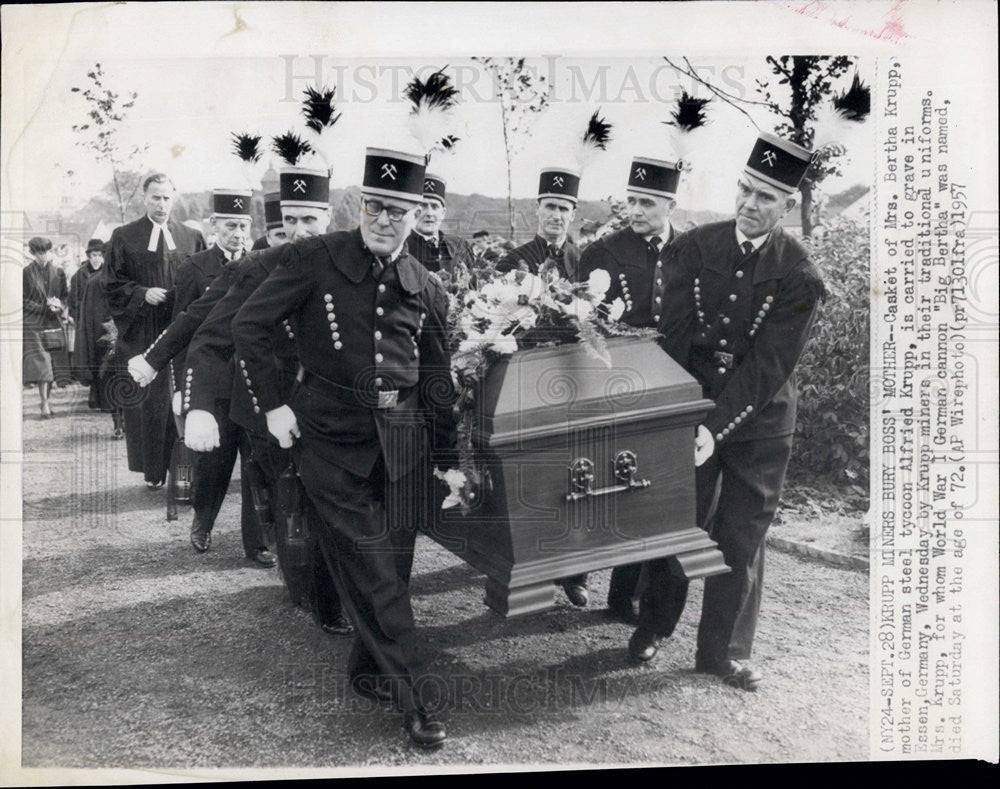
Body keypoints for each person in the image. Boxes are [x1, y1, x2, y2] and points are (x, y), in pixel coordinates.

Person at [232, 146, 455, 749]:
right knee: (373, 565)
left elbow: (438, 377)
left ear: (417, 214)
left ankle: (368, 671)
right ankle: (419, 699)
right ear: (359, 205)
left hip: (402, 441)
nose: (386, 220)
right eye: (376, 207)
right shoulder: (314, 258)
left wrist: (453, 462)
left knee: (395, 568)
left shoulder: (424, 283)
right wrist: (274, 404)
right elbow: (248, 326)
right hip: (328, 435)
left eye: (399, 211)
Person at [627, 132, 826, 692]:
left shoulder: (800, 274)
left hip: (760, 424)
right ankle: (654, 625)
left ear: (787, 206)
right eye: (745, 189)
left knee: (741, 538)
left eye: (766, 196)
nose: (750, 203)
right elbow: (676, 337)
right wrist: (684, 416)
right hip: (692, 409)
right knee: (677, 521)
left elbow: (770, 365)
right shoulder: (695, 247)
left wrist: (715, 429)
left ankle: (723, 652)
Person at [181, 165, 351, 628]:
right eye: (288, 222)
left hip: (328, 410)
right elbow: (208, 334)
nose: (297, 232)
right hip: (265, 407)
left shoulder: (345, 262)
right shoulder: (257, 268)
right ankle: (307, 590)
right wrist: (196, 401)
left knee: (327, 504)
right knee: (287, 503)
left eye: (309, 220)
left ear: (328, 217)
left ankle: (328, 593)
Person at [128, 188, 276, 565]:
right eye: (231, 225)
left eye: (244, 225)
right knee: (214, 465)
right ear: (215, 226)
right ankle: (203, 521)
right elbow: (189, 326)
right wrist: (186, 392)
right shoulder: (196, 268)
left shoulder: (266, 263)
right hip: (219, 384)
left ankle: (256, 542)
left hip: (259, 385)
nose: (238, 233)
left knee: (258, 466)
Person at [577, 156, 685, 623]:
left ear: (670, 203)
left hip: (676, 381)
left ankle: (632, 596)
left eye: (648, 202)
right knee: (624, 483)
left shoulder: (692, 248)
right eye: (632, 200)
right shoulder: (603, 251)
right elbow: (585, 323)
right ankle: (609, 589)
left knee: (658, 486)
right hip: (621, 379)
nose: (637, 210)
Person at [103, 172, 206, 489]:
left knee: (185, 395)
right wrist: (140, 293)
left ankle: (184, 471)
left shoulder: (191, 236)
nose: (161, 203)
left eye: (166, 197)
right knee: (151, 401)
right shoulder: (123, 236)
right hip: (143, 330)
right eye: (155, 197)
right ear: (144, 199)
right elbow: (111, 284)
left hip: (182, 327)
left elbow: (206, 279)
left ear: (174, 198)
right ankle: (153, 471)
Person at [497, 167, 582, 281]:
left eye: (563, 209)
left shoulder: (584, 260)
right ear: (537, 208)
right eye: (550, 207)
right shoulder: (512, 261)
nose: (556, 216)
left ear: (573, 214)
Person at [73, 263, 125, 438]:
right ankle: (118, 423)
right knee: (114, 378)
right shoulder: (95, 281)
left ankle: (122, 423)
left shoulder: (128, 277)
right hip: (106, 338)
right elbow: (88, 315)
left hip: (113, 337)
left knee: (118, 378)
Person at [23, 237, 68, 418]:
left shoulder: (59, 272)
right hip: (34, 324)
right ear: (33, 253)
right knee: (42, 364)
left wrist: (59, 306)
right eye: (39, 252)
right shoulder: (26, 273)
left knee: (53, 363)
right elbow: (22, 299)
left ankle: (46, 400)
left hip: (53, 323)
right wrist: (43, 307)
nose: (43, 256)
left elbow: (65, 296)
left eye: (46, 252)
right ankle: (45, 403)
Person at [405, 173, 473, 277]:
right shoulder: (402, 248)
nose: (429, 213)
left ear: (443, 213)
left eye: (435, 206)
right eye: (423, 205)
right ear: (413, 211)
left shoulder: (461, 246)